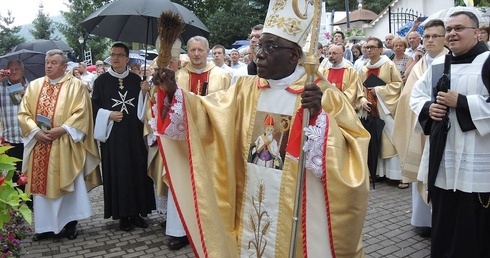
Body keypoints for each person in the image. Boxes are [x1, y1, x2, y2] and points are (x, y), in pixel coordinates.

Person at [150, 0, 370, 256]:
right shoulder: (246, 89)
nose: (259, 54)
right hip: (249, 193)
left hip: (297, 208)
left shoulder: (320, 95)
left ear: (293, 55)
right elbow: (207, 115)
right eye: (258, 46)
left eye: (270, 46)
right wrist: (174, 93)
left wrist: (319, 118)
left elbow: (353, 151)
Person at [410, 11, 490, 257]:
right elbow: (417, 95)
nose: (452, 33)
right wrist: (428, 108)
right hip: (445, 153)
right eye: (450, 29)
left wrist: (463, 102)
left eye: (460, 28)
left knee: (475, 216)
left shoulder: (487, 61)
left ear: (476, 32)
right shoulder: (438, 64)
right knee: (446, 212)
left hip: (479, 152)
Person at [17, 49, 101, 241]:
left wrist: (63, 129)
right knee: (41, 190)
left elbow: (82, 113)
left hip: (65, 144)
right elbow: (24, 113)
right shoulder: (35, 86)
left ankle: (70, 224)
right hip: (40, 144)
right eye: (47, 62)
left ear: (64, 66)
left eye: (54, 63)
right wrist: (35, 131)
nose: (49, 66)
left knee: (68, 186)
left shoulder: (76, 86)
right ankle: (45, 227)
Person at [392, 19, 448, 238]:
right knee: (421, 174)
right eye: (427, 36)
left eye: (436, 36)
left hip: (442, 126)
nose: (430, 40)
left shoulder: (450, 61)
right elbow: (409, 94)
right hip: (422, 123)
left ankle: (441, 220)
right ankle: (423, 220)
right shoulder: (420, 62)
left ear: (445, 38)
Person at [92, 43, 155, 232]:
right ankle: (123, 216)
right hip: (113, 137)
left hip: (134, 136)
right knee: (119, 174)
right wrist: (108, 115)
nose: (115, 58)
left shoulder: (137, 80)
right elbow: (93, 108)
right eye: (112, 55)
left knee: (136, 172)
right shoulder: (101, 81)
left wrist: (145, 92)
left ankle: (137, 213)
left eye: (120, 55)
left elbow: (144, 111)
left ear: (127, 58)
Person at [359, 37, 403, 186]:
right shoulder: (364, 68)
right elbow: (360, 89)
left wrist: (378, 90)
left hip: (386, 108)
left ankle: (398, 175)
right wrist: (362, 100)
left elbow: (398, 84)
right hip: (371, 109)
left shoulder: (388, 65)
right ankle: (378, 172)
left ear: (380, 49)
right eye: (366, 47)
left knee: (391, 140)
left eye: (372, 47)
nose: (369, 50)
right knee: (375, 140)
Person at [322, 44, 363, 110]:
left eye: (334, 53)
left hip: (344, 107)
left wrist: (338, 99)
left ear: (342, 55)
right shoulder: (326, 71)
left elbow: (352, 90)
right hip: (328, 107)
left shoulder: (350, 71)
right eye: (329, 53)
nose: (331, 56)